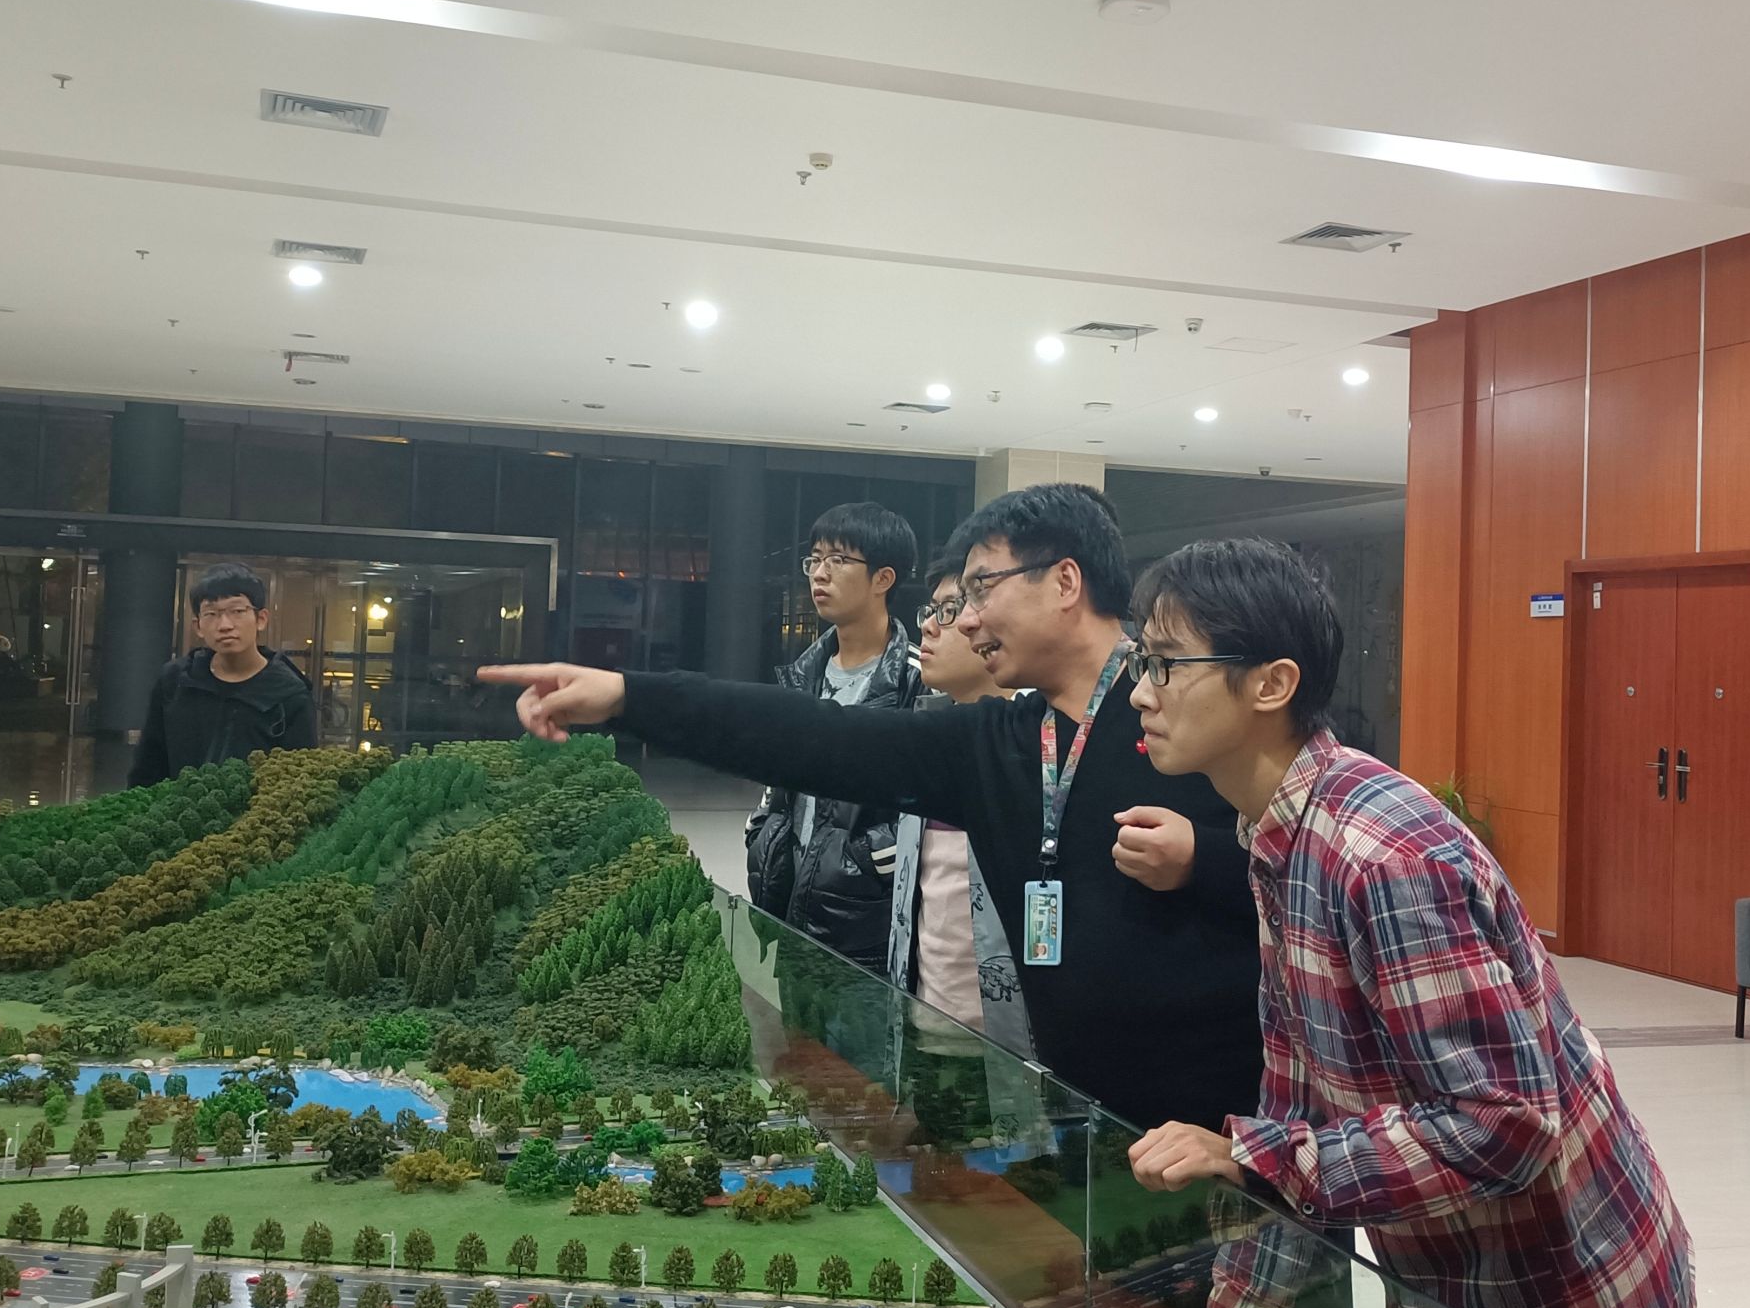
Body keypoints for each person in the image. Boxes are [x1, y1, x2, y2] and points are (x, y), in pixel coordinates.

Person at [481, 482, 1262, 1132]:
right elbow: (818, 739)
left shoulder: (1191, 710)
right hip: (1080, 1120)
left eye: (982, 588)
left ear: (1064, 582)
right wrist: (630, 696)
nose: (966, 618)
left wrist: (1205, 859)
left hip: (1222, 1133)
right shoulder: (1003, 741)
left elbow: (1302, 875)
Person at [1122, 538, 1692, 1308]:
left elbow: (1504, 1121)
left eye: (1166, 663)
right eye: (1143, 662)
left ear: (1271, 684)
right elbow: (1297, 1094)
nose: (1142, 691)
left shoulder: (1379, 855)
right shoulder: (1283, 836)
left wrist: (1256, 1156)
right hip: (1456, 1307)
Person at [745, 502, 923, 968]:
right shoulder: (802, 675)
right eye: (815, 559)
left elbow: (928, 806)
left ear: (883, 578)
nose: (819, 573)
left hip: (865, 925)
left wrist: (867, 860)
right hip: (790, 907)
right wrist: (762, 831)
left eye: (838, 560)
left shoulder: (917, 682)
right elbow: (778, 783)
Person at [887, 550, 1018, 1041]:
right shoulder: (929, 736)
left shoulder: (1032, 752)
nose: (929, 627)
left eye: (949, 610)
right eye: (931, 610)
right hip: (922, 1023)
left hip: (1009, 1045)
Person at [129, 562, 318, 786]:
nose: (225, 625)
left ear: (261, 619)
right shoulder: (176, 681)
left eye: (237, 611)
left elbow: (300, 781)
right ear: (198, 626)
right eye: (211, 614)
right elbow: (148, 765)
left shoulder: (289, 694)